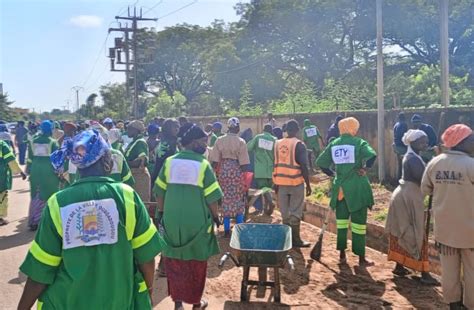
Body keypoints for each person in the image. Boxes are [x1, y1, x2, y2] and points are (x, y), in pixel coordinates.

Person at [19, 130, 161, 310]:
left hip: (67, 302)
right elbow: (146, 257)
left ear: (79, 166)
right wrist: (148, 290)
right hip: (119, 301)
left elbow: (42, 268)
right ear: (106, 161)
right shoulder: (127, 197)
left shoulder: (58, 202)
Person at [154, 123, 222, 310]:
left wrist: (161, 214)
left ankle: (177, 302)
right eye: (202, 141)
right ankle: (195, 302)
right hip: (198, 223)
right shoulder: (203, 165)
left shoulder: (170, 163)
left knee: (174, 261)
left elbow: (159, 193)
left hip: (172, 221)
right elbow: (212, 198)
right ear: (192, 142)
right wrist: (216, 218)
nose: (204, 145)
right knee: (196, 264)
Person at [421, 124, 474, 310]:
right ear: (461, 142)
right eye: (471, 139)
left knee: (449, 272)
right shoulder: (471, 165)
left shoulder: (435, 163)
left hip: (445, 230)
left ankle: (453, 305)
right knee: (472, 272)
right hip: (470, 232)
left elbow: (425, 189)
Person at [316, 117, 377, 265]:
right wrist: (365, 168)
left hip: (340, 190)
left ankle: (342, 254)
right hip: (356, 188)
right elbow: (372, 155)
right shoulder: (359, 142)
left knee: (341, 222)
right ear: (353, 128)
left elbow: (320, 163)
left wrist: (332, 174)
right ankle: (361, 257)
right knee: (358, 224)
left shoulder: (334, 144)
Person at [385, 129, 439, 285]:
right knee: (416, 232)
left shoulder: (414, 157)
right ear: (413, 142)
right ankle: (424, 272)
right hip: (408, 198)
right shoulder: (412, 160)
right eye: (422, 141)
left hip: (407, 195)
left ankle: (399, 265)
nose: (426, 144)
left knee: (404, 229)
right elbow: (423, 179)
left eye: (426, 141)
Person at [273, 120, 312, 247]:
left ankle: (286, 240)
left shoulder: (277, 143)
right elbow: (304, 166)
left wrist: (275, 184)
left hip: (280, 183)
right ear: (297, 130)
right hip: (295, 183)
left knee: (284, 212)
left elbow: (276, 163)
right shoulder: (299, 145)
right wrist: (308, 184)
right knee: (295, 211)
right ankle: (296, 240)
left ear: (286, 130)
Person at [210, 117, 250, 238]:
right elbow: (244, 164)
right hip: (236, 171)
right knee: (238, 199)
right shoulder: (241, 141)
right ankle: (239, 230)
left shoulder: (219, 140)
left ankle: (227, 230)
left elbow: (214, 162)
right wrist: (244, 179)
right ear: (237, 128)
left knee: (226, 199)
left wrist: (216, 174)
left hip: (223, 171)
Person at [26, 120, 60, 231]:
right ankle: (46, 220)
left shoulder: (33, 141)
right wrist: (60, 173)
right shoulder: (53, 142)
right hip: (49, 172)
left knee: (36, 194)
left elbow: (30, 158)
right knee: (49, 195)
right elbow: (57, 160)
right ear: (50, 129)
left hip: (35, 170)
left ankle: (33, 221)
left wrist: (28, 170)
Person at [247, 124, 276, 215]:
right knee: (267, 188)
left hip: (260, 169)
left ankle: (270, 203)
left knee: (262, 189)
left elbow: (249, 147)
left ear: (263, 130)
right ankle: (265, 210)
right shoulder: (275, 140)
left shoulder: (258, 137)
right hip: (271, 169)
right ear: (271, 131)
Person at [0, 140, 27, 225]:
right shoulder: (2, 145)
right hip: (1, 176)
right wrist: (20, 172)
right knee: (2, 196)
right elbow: (11, 160)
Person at [125, 120, 151, 203]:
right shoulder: (134, 142)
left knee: (140, 203)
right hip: (134, 177)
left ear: (136, 130)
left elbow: (142, 161)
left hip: (139, 178)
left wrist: (124, 163)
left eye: (129, 129)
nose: (127, 131)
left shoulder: (140, 142)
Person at [392, 112, 409, 180]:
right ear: (404, 118)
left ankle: (398, 179)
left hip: (396, 146)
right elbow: (403, 136)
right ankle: (402, 179)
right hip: (402, 146)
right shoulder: (404, 124)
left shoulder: (396, 124)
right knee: (404, 164)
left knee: (400, 164)